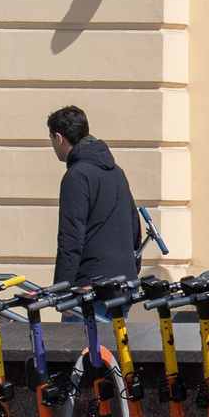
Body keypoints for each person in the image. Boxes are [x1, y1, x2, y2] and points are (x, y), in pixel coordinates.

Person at [48, 104, 141, 286]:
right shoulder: (116, 171)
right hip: (124, 282)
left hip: (90, 286)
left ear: (59, 138)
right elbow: (134, 226)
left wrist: (62, 287)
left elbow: (70, 236)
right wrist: (132, 268)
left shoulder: (76, 175)